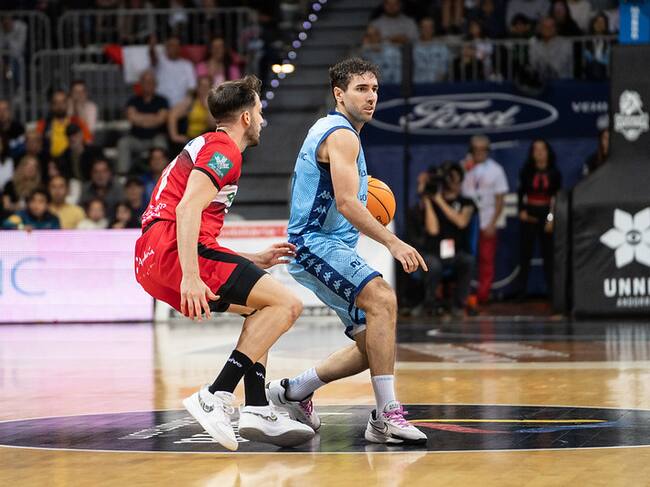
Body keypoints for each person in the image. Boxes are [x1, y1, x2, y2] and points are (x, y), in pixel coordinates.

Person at [133, 75, 314, 451]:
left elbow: (197, 230)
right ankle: (215, 394)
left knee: (262, 309)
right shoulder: (224, 151)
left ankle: (258, 407)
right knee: (287, 304)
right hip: (171, 250)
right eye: (259, 111)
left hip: (154, 256)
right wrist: (191, 276)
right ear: (246, 117)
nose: (262, 120)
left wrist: (252, 259)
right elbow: (186, 210)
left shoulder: (209, 145)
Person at [267, 58, 428, 445]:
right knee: (384, 299)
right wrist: (393, 241)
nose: (371, 97)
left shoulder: (336, 130)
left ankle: (293, 391)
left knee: (374, 345)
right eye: (361, 89)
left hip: (328, 244)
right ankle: (386, 416)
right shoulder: (342, 136)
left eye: (374, 89)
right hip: (313, 243)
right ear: (339, 94)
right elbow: (346, 203)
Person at [407, 163, 475, 317]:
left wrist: (439, 201)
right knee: (433, 265)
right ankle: (429, 303)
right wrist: (427, 198)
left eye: (454, 178)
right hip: (433, 252)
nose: (450, 182)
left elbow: (461, 221)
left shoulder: (467, 202)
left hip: (456, 252)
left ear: (460, 181)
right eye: (447, 178)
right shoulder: (431, 201)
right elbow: (433, 229)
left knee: (468, 261)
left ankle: (459, 305)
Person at [461, 135, 509, 304]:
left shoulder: (496, 170)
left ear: (488, 151)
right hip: (465, 221)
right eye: (476, 149)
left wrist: (493, 222)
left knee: (486, 260)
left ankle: (482, 296)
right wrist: (464, 169)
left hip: (486, 220)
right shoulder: (464, 167)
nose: (479, 153)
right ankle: (463, 295)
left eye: (483, 150)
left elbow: (500, 200)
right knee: (463, 258)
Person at [517, 139, 561, 298]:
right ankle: (521, 291)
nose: (540, 153)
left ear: (548, 152)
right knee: (525, 254)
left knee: (549, 255)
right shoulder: (526, 171)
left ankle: (552, 291)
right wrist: (522, 210)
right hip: (530, 213)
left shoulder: (555, 173)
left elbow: (555, 199)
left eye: (542, 149)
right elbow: (521, 193)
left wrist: (551, 218)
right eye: (536, 149)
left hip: (547, 213)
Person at [117, 70, 169, 175]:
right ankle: (123, 176)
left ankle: (163, 175)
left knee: (161, 144)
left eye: (150, 82)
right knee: (123, 143)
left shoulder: (162, 101)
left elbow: (161, 120)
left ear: (155, 84)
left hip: (155, 137)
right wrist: (153, 118)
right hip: (136, 138)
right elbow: (132, 118)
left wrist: (140, 118)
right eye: (145, 82)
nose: (148, 84)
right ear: (140, 84)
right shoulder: (133, 100)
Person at [36, 90, 93, 159]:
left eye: (63, 102)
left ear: (67, 104)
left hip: (73, 160)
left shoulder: (77, 122)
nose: (59, 106)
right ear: (51, 105)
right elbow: (37, 147)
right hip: (51, 160)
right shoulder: (43, 124)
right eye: (56, 103)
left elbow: (88, 142)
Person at [167, 75, 215, 152]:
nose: (204, 89)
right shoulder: (191, 101)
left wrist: (207, 108)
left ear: (211, 89)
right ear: (197, 88)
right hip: (190, 139)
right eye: (202, 86)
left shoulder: (214, 104)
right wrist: (174, 136)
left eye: (206, 87)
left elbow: (212, 125)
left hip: (206, 140)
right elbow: (172, 115)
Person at [149, 35, 197, 107]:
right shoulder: (160, 61)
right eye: (171, 45)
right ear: (166, 47)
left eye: (176, 46)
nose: (173, 48)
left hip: (180, 106)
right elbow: (153, 57)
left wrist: (186, 103)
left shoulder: (187, 65)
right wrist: (152, 48)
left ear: (180, 48)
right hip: (160, 104)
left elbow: (192, 87)